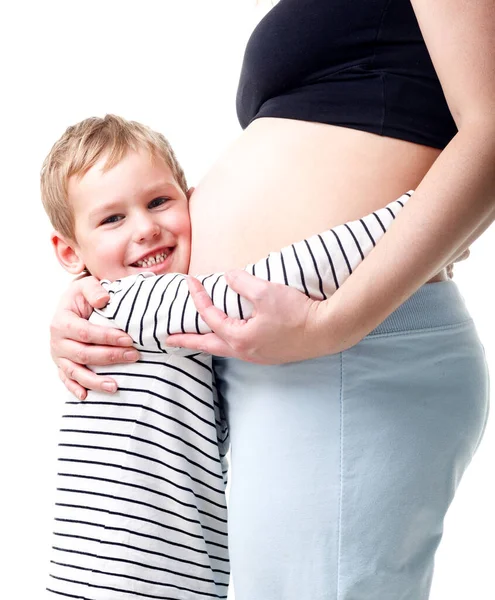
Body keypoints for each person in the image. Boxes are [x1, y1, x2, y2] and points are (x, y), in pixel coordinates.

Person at [49, 1, 493, 598]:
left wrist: (331, 323)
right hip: (297, 354)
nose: (147, 225)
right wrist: (101, 302)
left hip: (348, 350)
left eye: (160, 203)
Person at [42, 113, 411, 598]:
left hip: (170, 576)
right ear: (71, 253)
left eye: (159, 202)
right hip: (123, 583)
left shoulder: (118, 312)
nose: (147, 228)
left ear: (191, 200)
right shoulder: (123, 304)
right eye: (113, 218)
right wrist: (411, 218)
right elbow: (268, 286)